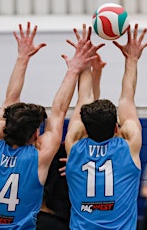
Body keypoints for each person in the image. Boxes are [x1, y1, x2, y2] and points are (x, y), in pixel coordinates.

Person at [0, 21, 99, 229]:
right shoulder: (39, 158)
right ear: (34, 135)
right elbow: (58, 111)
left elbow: (9, 100)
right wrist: (74, 69)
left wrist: (22, 58)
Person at [64, 23, 147, 229]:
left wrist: (83, 63)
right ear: (116, 128)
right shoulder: (129, 145)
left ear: (84, 129)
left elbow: (83, 97)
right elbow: (127, 99)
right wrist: (132, 58)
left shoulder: (74, 145)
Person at [36, 53, 106, 230]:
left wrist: (90, 70)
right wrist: (89, 70)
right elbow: (88, 109)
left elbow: (89, 110)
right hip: (58, 218)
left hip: (71, 217)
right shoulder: (61, 150)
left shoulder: (75, 148)